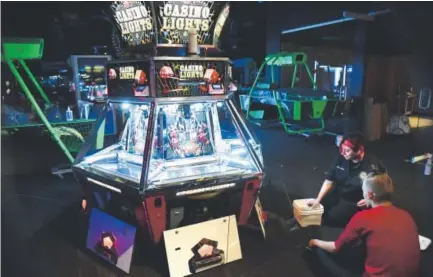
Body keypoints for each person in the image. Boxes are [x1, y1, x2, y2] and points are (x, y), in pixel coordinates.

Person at [307, 171, 420, 277]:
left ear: (370, 195)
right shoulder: (407, 215)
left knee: (322, 254)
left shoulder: (363, 217)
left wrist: (315, 242)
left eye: (364, 191)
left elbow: (336, 248)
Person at [308, 132, 384, 227]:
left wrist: (369, 199)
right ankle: (297, 221)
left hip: (355, 199)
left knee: (331, 218)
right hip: (339, 191)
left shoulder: (372, 165)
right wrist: (318, 199)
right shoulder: (341, 158)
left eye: (347, 150)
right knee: (317, 207)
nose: (343, 153)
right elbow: (329, 179)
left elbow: (383, 187)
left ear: (359, 150)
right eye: (342, 149)